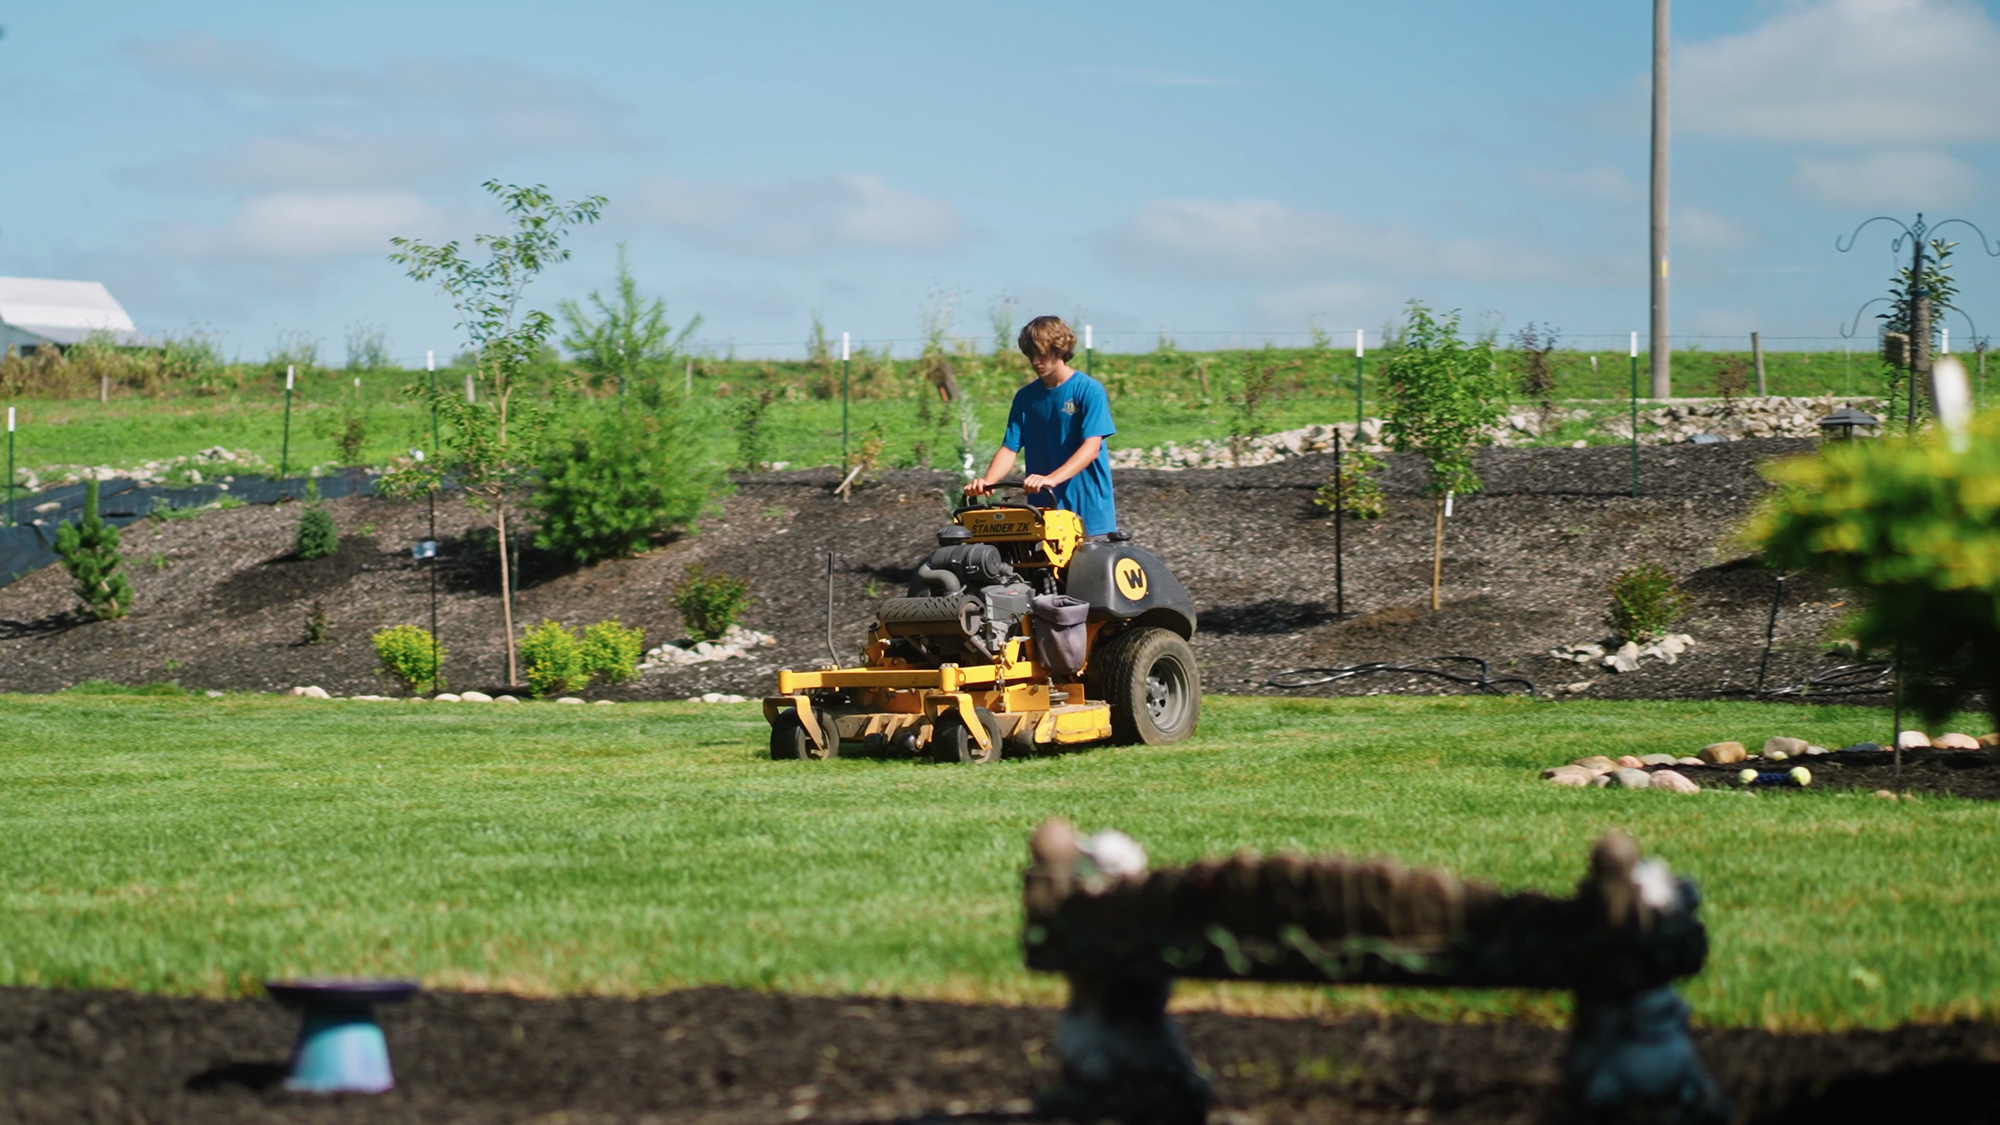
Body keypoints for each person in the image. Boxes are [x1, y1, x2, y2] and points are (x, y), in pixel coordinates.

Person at [963, 315, 1118, 539]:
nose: (1036, 361)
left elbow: (1091, 448)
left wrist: (1051, 479)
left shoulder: (1089, 390)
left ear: (1059, 349)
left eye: (1041, 353)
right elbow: (1009, 448)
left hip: (1090, 517)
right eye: (1031, 354)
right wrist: (988, 482)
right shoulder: (1025, 398)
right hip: (1043, 517)